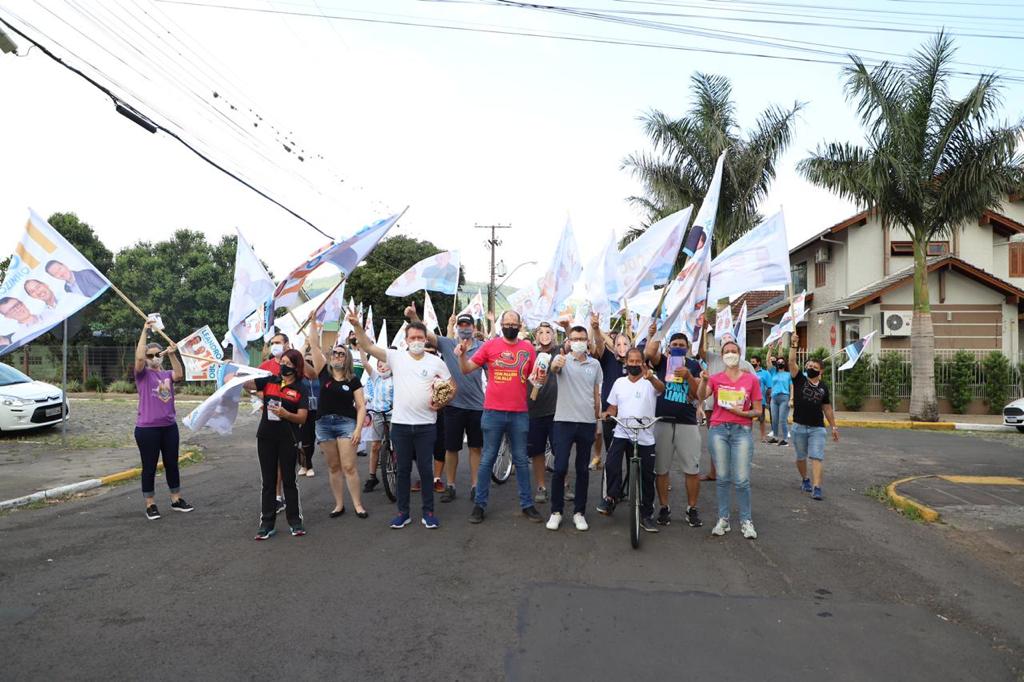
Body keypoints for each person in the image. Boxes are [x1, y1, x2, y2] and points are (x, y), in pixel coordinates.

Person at [349, 311, 455, 530]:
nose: (416, 341)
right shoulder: (395, 357)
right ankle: (403, 512)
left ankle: (428, 512)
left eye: (420, 337)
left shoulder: (436, 362)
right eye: (412, 338)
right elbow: (367, 347)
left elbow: (452, 387)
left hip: (427, 425)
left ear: (426, 339)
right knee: (403, 470)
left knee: (426, 471)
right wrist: (357, 326)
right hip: (401, 426)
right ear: (405, 341)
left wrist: (441, 403)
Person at [458, 310, 544, 524]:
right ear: (501, 325)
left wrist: (542, 376)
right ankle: (479, 504)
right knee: (487, 459)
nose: (510, 325)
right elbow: (467, 369)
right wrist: (461, 355)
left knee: (522, 461)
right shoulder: (490, 346)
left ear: (520, 325)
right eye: (507, 322)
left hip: (519, 413)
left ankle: (527, 504)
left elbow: (536, 379)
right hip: (493, 412)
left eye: (514, 322)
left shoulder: (528, 349)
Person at [408, 307, 486, 503]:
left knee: (476, 448)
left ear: (473, 327)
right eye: (461, 325)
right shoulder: (448, 343)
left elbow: (492, 372)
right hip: (453, 405)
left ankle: (475, 486)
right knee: (451, 448)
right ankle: (450, 485)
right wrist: (414, 317)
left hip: (477, 406)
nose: (464, 328)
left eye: (467, 325)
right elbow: (426, 334)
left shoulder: (482, 347)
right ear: (457, 327)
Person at [697, 339, 763, 540]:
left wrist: (741, 413)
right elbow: (700, 396)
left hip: (741, 431)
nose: (731, 353)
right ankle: (723, 519)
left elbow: (758, 411)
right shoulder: (715, 378)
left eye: (734, 350)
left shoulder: (751, 380)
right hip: (718, 430)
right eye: (727, 351)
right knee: (723, 478)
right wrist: (703, 381)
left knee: (742, 479)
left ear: (739, 353)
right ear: (722, 355)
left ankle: (746, 521)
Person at [597, 347, 665, 533]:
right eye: (631, 361)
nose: (634, 364)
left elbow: (662, 388)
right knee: (611, 463)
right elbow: (613, 406)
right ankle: (611, 498)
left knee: (647, 476)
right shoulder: (619, 382)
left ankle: (646, 515)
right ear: (625, 363)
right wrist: (608, 414)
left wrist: (651, 377)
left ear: (642, 362)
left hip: (645, 434)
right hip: (622, 431)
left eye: (638, 361)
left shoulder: (650, 380)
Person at [245, 347, 309, 540]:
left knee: (289, 479)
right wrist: (236, 376)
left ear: (296, 367)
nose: (284, 366)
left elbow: (302, 418)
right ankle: (267, 523)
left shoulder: (300, 388)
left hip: (288, 439)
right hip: (266, 437)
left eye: (289, 364)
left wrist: (286, 414)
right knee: (268, 481)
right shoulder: (270, 380)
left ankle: (295, 521)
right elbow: (248, 385)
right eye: (282, 362)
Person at [644, 329, 705, 529]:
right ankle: (664, 507)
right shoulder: (662, 361)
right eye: (675, 345)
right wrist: (654, 333)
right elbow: (649, 354)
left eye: (681, 345)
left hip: (686, 423)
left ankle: (692, 509)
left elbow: (698, 395)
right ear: (669, 347)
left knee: (692, 469)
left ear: (687, 348)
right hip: (662, 421)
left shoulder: (694, 365)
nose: (678, 348)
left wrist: (688, 376)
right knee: (661, 469)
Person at [133, 319, 192, 520]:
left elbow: (179, 374)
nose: (153, 358)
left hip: (169, 427)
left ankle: (176, 499)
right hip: (147, 429)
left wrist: (173, 353)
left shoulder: (166, 374)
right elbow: (139, 358)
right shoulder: (142, 375)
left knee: (172, 464)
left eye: (156, 355)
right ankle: (150, 504)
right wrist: (145, 330)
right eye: (150, 356)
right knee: (149, 466)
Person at [309, 320, 368, 518]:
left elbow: (361, 406)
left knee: (349, 466)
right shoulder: (323, 374)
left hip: (346, 424)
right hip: (324, 425)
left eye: (341, 354)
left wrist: (358, 429)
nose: (337, 356)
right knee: (333, 467)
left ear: (346, 359)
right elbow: (314, 345)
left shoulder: (353, 380)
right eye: (335, 353)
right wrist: (312, 323)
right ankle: (339, 505)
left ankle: (358, 505)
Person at [545, 326, 602, 531]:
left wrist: (597, 422)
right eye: (575, 338)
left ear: (588, 341)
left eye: (582, 338)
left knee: (582, 470)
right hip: (563, 421)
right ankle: (556, 511)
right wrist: (555, 364)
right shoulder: (562, 360)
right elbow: (554, 369)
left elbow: (596, 395)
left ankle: (579, 512)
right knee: (560, 468)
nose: (579, 341)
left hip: (586, 422)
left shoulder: (595, 364)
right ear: (568, 340)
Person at [787, 333, 839, 500]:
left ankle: (817, 487)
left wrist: (833, 426)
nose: (810, 368)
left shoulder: (823, 387)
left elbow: (827, 407)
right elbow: (791, 362)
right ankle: (805, 479)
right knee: (801, 457)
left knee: (817, 456)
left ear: (821, 371)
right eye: (808, 365)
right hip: (799, 426)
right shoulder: (799, 379)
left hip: (817, 428)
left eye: (814, 367)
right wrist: (794, 345)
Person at [527, 321, 559, 504]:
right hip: (534, 410)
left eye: (548, 331)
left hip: (557, 410)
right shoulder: (531, 353)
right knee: (537, 451)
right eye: (541, 332)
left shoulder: (560, 351)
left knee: (559, 450)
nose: (545, 335)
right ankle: (541, 485)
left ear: (554, 334)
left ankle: (564, 484)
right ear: (536, 336)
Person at [592, 314, 629, 470]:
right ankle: (613, 491)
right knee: (613, 455)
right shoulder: (607, 358)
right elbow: (599, 344)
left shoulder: (636, 360)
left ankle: (633, 487)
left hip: (631, 415)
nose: (621, 347)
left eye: (625, 343)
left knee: (632, 455)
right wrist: (595, 329)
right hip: (610, 414)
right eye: (618, 344)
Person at [361, 350, 394, 493]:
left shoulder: (398, 378)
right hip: (379, 415)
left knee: (396, 444)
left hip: (394, 415)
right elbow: (365, 363)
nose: (381, 367)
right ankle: (372, 477)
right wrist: (361, 348)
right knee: (375, 445)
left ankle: (397, 467)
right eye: (379, 364)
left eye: (384, 364)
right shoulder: (375, 378)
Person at [296, 352, 319, 478]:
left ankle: (307, 463)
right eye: (306, 362)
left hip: (316, 411)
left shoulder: (318, 377)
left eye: (311, 362)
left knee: (311, 439)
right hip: (304, 410)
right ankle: (306, 465)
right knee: (303, 440)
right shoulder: (299, 377)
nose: (309, 364)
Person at [768, 348, 793, 446]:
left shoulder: (788, 374)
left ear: (784, 363)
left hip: (784, 397)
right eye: (778, 362)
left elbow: (792, 386)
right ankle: (775, 437)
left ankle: (785, 439)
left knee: (782, 420)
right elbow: (768, 361)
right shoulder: (774, 372)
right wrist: (770, 350)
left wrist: (791, 399)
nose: (780, 363)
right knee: (774, 419)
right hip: (774, 398)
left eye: (782, 362)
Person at [750, 354, 772, 443]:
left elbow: (769, 387)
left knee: (762, 419)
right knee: (748, 418)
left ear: (758, 363)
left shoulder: (765, 373)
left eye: (753, 362)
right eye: (751, 362)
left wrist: (768, 398)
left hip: (760, 400)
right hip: (748, 400)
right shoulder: (748, 372)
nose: (752, 364)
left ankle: (763, 437)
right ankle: (747, 436)